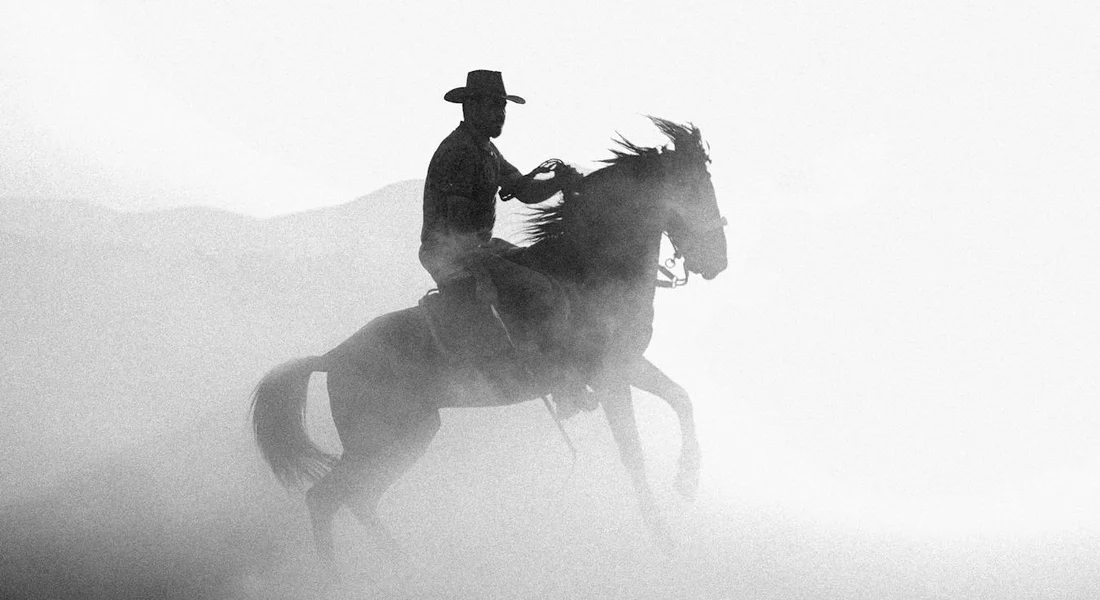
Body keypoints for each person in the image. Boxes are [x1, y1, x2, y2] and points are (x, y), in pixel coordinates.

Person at [419, 70, 589, 410]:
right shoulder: (459, 153)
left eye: (503, 106)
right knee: (539, 289)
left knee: (540, 268)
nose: (501, 114)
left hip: (476, 247)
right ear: (470, 108)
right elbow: (456, 223)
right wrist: (482, 266)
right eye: (493, 106)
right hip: (451, 252)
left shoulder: (486, 150)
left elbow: (523, 190)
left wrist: (557, 182)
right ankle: (551, 377)